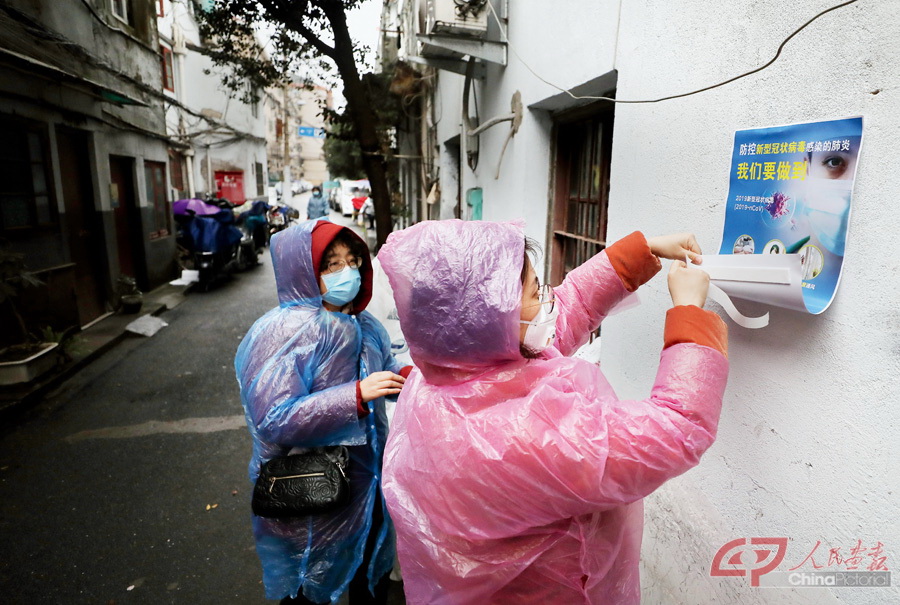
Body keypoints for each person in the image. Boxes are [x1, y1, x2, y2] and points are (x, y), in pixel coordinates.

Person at [378, 220, 729, 604]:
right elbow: (675, 430)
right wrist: (689, 313)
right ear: (490, 319)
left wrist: (640, 253)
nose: (548, 299)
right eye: (534, 291)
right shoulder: (523, 435)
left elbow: (564, 311)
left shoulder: (443, 379)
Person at [235, 220, 412, 605]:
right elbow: (275, 418)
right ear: (304, 271)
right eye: (330, 264)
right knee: (308, 588)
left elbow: (389, 369)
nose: (346, 272)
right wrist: (354, 396)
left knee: (369, 578)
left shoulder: (366, 325)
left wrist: (416, 374)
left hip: (367, 487)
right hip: (307, 490)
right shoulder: (283, 332)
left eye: (353, 261)